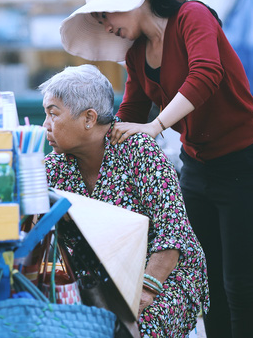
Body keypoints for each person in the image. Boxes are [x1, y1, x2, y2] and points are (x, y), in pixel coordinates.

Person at [59, 0, 253, 338]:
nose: (106, 26)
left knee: (240, 283)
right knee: (209, 285)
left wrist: (156, 125)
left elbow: (207, 74)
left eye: (105, 14)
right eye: (99, 20)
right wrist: (78, 136)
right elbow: (128, 115)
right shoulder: (136, 55)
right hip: (197, 169)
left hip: (246, 164)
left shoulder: (193, 17)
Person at [39, 64, 209, 338]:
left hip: (162, 276)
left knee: (130, 330)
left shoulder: (138, 150)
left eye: (53, 114)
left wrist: (144, 292)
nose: (45, 125)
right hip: (97, 280)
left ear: (89, 118)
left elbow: (174, 235)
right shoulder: (53, 167)